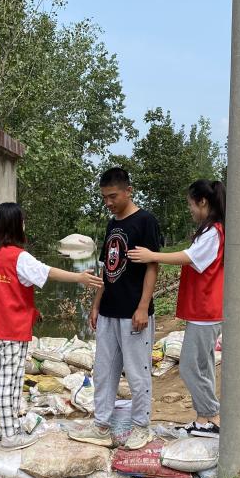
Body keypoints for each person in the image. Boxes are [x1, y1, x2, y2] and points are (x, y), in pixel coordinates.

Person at [0, 202, 103, 449]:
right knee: (10, 380)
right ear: (15, 225)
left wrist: (32, 309)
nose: (24, 225)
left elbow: (6, 291)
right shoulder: (18, 256)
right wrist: (79, 277)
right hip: (12, 328)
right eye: (22, 221)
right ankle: (10, 435)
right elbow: (47, 272)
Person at [70, 168, 161, 450]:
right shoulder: (112, 224)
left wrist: (143, 307)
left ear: (128, 191)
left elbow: (152, 266)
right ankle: (101, 424)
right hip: (109, 310)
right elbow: (107, 269)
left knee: (137, 372)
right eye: (104, 198)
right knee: (104, 371)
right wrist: (96, 304)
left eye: (113, 196)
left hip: (134, 312)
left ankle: (141, 426)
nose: (108, 202)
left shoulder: (145, 221)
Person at [128, 179, 225, 438]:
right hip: (204, 310)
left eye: (191, 204)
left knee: (189, 368)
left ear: (202, 201)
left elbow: (189, 257)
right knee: (202, 367)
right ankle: (203, 419)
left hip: (206, 310)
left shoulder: (214, 231)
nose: (190, 210)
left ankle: (213, 415)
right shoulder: (211, 230)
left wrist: (153, 256)